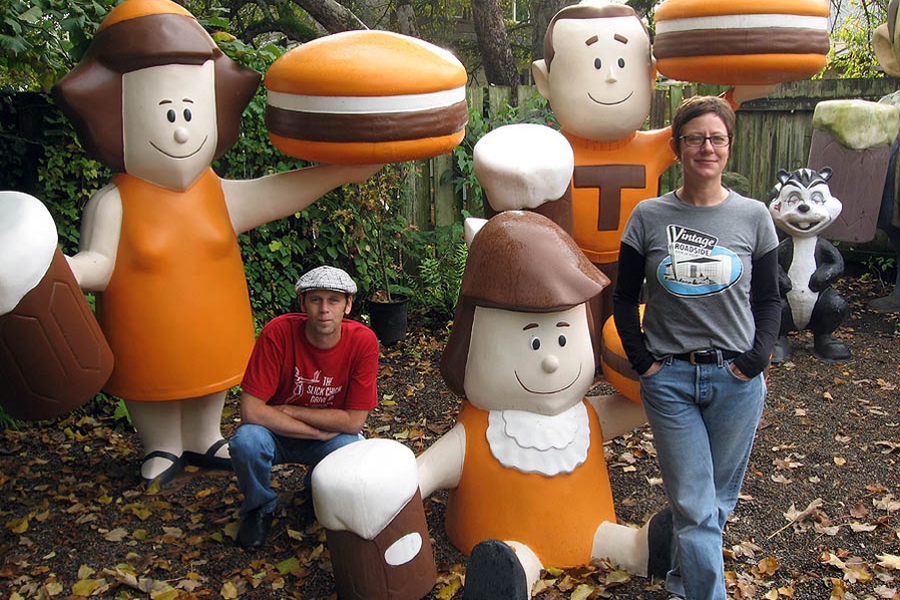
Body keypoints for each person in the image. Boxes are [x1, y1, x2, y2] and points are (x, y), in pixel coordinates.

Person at [613, 96, 781, 600]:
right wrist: (643, 361)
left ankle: (683, 582)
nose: (706, 147)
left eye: (716, 138)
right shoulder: (648, 215)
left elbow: (771, 300)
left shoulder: (754, 218)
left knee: (713, 503)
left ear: (729, 147)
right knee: (693, 500)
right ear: (677, 147)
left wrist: (755, 360)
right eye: (695, 138)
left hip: (737, 380)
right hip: (671, 383)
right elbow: (623, 297)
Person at [229, 266, 379, 549]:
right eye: (315, 300)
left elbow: (354, 422)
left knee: (353, 448)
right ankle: (259, 509)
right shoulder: (278, 333)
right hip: (277, 433)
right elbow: (251, 411)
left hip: (323, 433)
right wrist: (313, 431)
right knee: (246, 441)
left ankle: (317, 492)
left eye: (333, 300)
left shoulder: (363, 341)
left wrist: (291, 410)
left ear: (348, 305)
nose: (324, 309)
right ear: (302, 304)